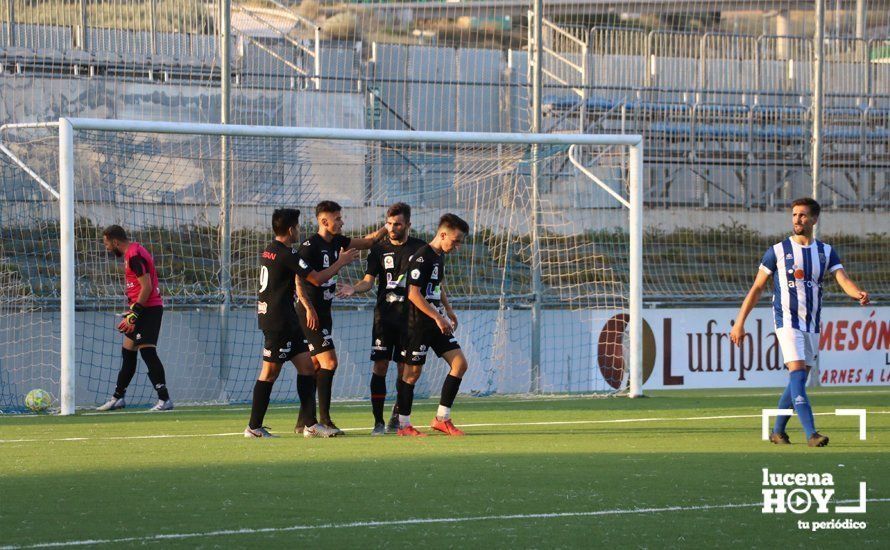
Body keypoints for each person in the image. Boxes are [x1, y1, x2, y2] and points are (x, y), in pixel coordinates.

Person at [731, 198, 870, 447]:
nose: (797, 219)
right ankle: (811, 433)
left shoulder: (825, 251)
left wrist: (857, 292)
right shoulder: (777, 251)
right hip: (787, 321)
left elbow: (843, 279)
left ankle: (777, 431)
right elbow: (757, 288)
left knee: (798, 381)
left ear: (814, 219)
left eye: (803, 215)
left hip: (812, 324)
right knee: (796, 373)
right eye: (795, 215)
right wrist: (739, 323)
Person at [247, 208, 347, 438]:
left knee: (308, 368)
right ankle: (253, 427)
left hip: (288, 321)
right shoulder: (286, 254)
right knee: (269, 372)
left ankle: (310, 425)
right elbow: (317, 278)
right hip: (278, 322)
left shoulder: (270, 251)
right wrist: (340, 262)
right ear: (291, 229)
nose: (300, 230)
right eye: (298, 226)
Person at [296, 201, 386, 435]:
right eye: (337, 218)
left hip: (324, 312)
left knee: (315, 365)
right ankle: (323, 421)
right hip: (310, 313)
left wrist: (387, 226)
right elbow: (305, 280)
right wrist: (340, 263)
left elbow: (367, 242)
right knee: (330, 363)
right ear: (324, 221)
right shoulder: (309, 246)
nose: (342, 221)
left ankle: (303, 421)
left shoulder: (338, 241)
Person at [338, 202, 426, 435]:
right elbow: (368, 281)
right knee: (380, 366)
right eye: (388, 223)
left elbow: (433, 285)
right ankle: (377, 421)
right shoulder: (378, 249)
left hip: (411, 319)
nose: (392, 228)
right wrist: (354, 289)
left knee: (404, 370)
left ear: (408, 224)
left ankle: (396, 417)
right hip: (384, 318)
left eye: (397, 224)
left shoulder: (420, 249)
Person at [395, 213, 469, 437]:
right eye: (455, 241)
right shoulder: (422, 257)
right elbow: (413, 294)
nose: (456, 246)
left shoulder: (439, 256)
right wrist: (438, 317)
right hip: (418, 324)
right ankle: (403, 425)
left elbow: (437, 286)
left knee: (460, 364)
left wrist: (448, 310)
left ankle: (442, 418)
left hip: (437, 321)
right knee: (412, 374)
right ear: (443, 234)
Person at [97, 225, 173, 412]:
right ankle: (118, 397)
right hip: (141, 309)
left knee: (148, 352)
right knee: (128, 352)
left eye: (107, 243)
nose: (106, 247)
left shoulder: (134, 255)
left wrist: (135, 314)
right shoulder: (133, 252)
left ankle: (164, 400)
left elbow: (146, 287)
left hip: (148, 310)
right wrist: (132, 312)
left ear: (115, 241)